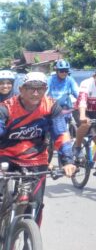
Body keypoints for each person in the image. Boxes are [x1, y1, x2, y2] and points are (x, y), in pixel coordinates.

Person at [0, 72, 77, 225]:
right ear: (21, 89)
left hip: (37, 158)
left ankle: (30, 240)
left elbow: (61, 133)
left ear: (45, 89)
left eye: (40, 89)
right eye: (31, 88)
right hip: (7, 156)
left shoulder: (51, 107)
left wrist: (68, 160)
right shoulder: (6, 108)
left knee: (36, 204)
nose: (36, 93)